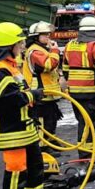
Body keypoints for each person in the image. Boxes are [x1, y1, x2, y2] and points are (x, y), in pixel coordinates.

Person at [0, 22, 59, 189]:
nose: (22, 46)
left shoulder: (10, 66)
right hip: (12, 131)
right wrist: (34, 95)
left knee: (35, 168)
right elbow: (11, 99)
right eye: (18, 43)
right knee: (16, 172)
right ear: (7, 46)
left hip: (25, 129)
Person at [63, 16, 95, 156]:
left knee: (84, 120)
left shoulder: (70, 45)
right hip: (92, 91)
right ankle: (87, 153)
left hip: (75, 91)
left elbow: (65, 69)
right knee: (89, 122)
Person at [23, 21, 64, 154]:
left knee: (51, 117)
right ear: (36, 37)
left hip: (47, 91)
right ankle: (43, 147)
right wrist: (55, 51)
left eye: (48, 34)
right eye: (44, 35)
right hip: (39, 91)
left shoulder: (42, 49)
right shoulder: (35, 51)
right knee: (42, 119)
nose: (48, 37)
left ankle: (50, 140)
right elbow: (48, 65)